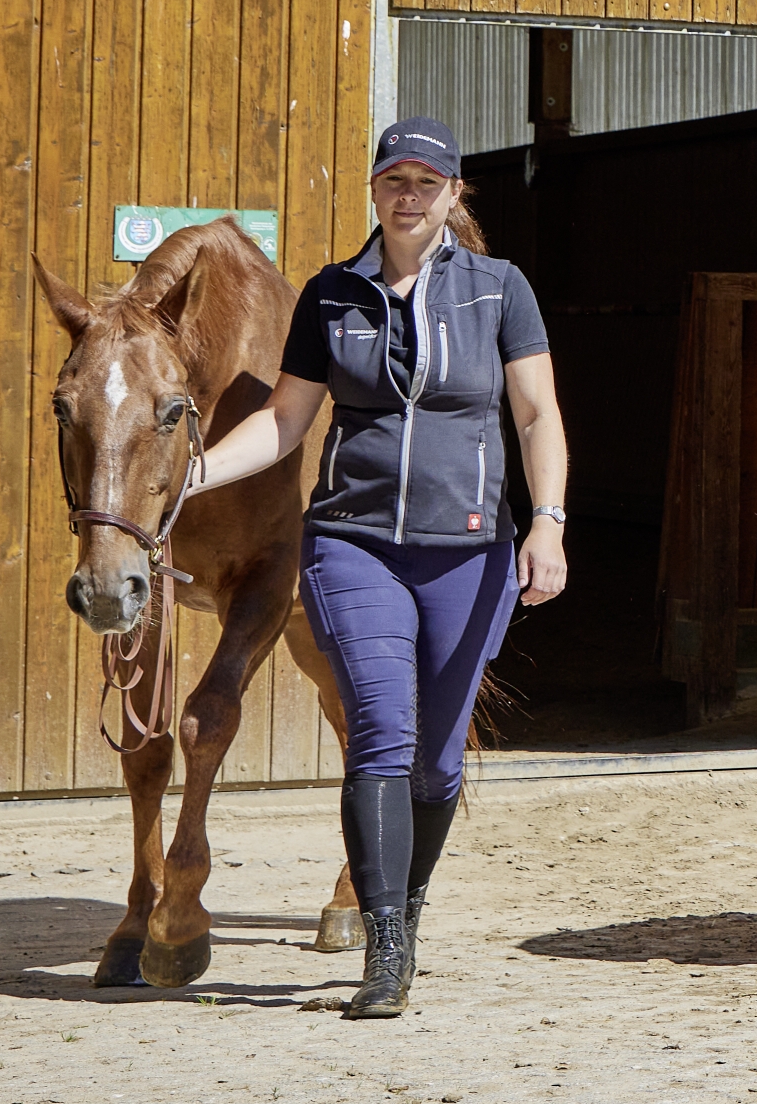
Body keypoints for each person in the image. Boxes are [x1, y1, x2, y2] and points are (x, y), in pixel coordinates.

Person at [182, 117, 570, 1018]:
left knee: (436, 761)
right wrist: (190, 477)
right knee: (382, 736)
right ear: (375, 189)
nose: (409, 194)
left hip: (471, 552)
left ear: (453, 193)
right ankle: (387, 948)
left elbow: (537, 413)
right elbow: (285, 421)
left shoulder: (498, 290)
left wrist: (545, 522)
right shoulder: (332, 294)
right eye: (394, 178)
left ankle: (408, 899)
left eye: (426, 181)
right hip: (354, 543)